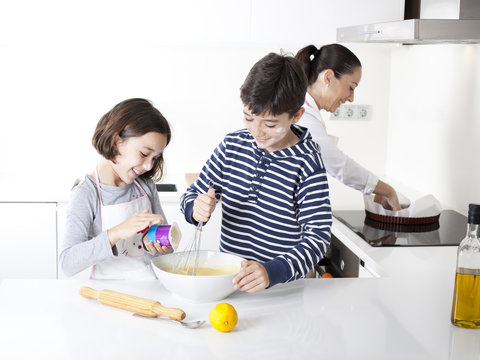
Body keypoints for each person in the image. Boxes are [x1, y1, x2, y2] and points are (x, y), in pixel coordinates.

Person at [180, 53, 332, 293]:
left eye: (270, 124)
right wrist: (196, 208)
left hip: (281, 290)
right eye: (249, 118)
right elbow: (192, 195)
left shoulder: (307, 162)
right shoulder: (232, 146)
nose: (256, 131)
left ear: (296, 116)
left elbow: (318, 237)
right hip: (230, 284)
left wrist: (273, 272)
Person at [60, 98, 172, 279]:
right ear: (115, 141)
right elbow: (67, 263)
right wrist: (116, 233)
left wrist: (155, 244)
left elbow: (166, 253)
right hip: (107, 295)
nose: (149, 166)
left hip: (150, 291)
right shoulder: (86, 194)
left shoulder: (145, 186)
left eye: (155, 158)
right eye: (144, 154)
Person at [295, 44, 401, 211]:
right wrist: (387, 190)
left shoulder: (306, 111)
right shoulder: (303, 116)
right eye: (351, 87)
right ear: (328, 77)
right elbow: (338, 164)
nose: (351, 98)